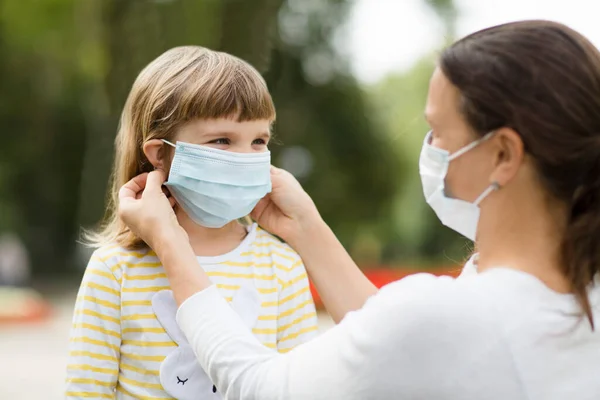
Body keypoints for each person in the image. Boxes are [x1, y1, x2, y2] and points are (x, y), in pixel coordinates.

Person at [119, 20, 600, 400]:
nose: (428, 147)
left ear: (503, 155)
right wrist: (307, 230)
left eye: (439, 132)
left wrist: (170, 243)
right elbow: (399, 345)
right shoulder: (572, 300)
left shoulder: (458, 314)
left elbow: (261, 385)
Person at [65, 46, 319, 399]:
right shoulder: (115, 270)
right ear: (160, 154)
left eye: (259, 140)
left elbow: (301, 389)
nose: (246, 158)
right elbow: (85, 391)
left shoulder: (282, 267)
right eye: (222, 140)